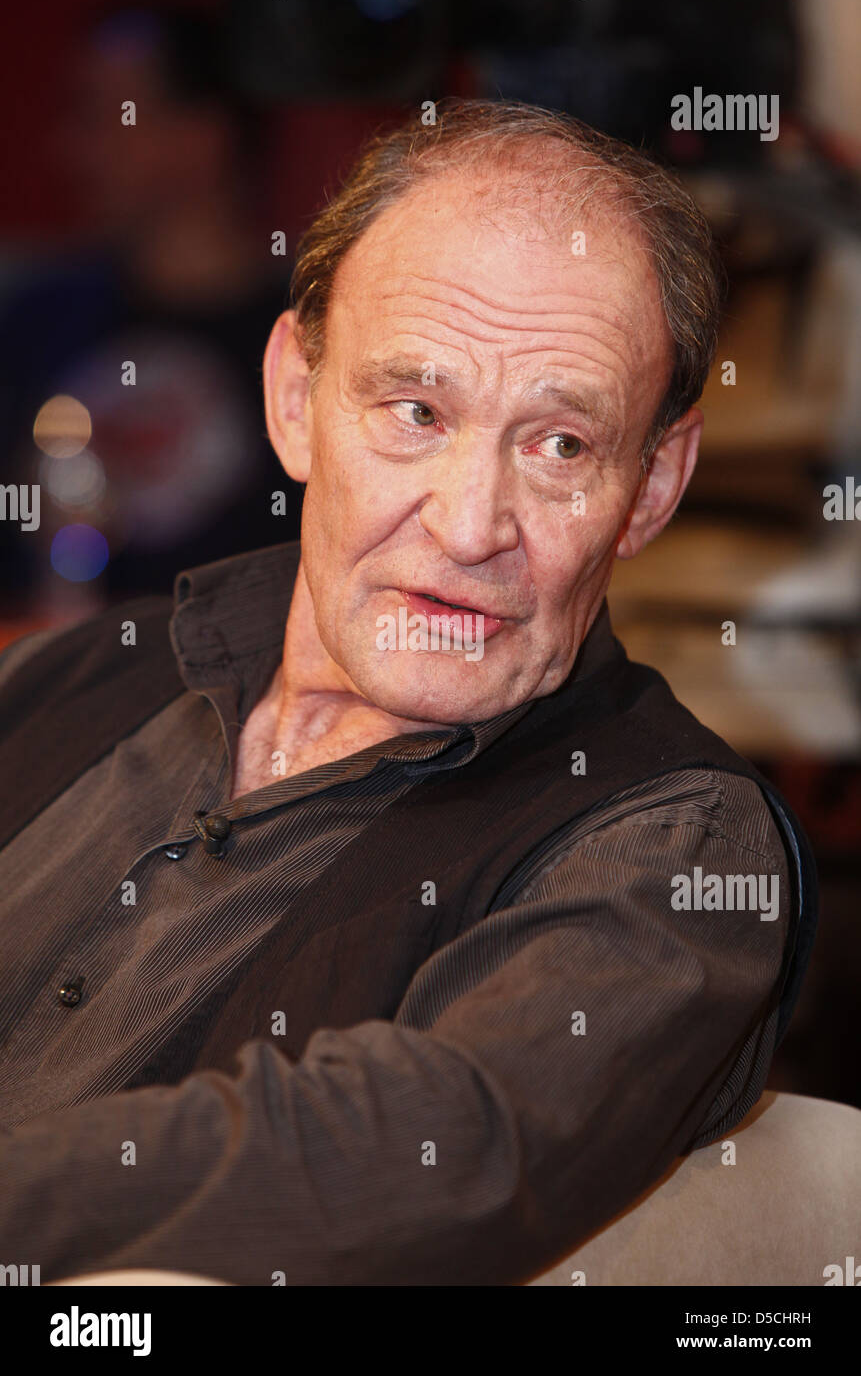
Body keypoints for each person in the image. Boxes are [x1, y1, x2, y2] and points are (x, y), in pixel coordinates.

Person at [0, 100, 816, 1286]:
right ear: (295, 400)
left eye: (561, 447)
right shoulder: (78, 669)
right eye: (416, 412)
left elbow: (426, 1144)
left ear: (652, 486)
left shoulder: (671, 842)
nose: (470, 526)